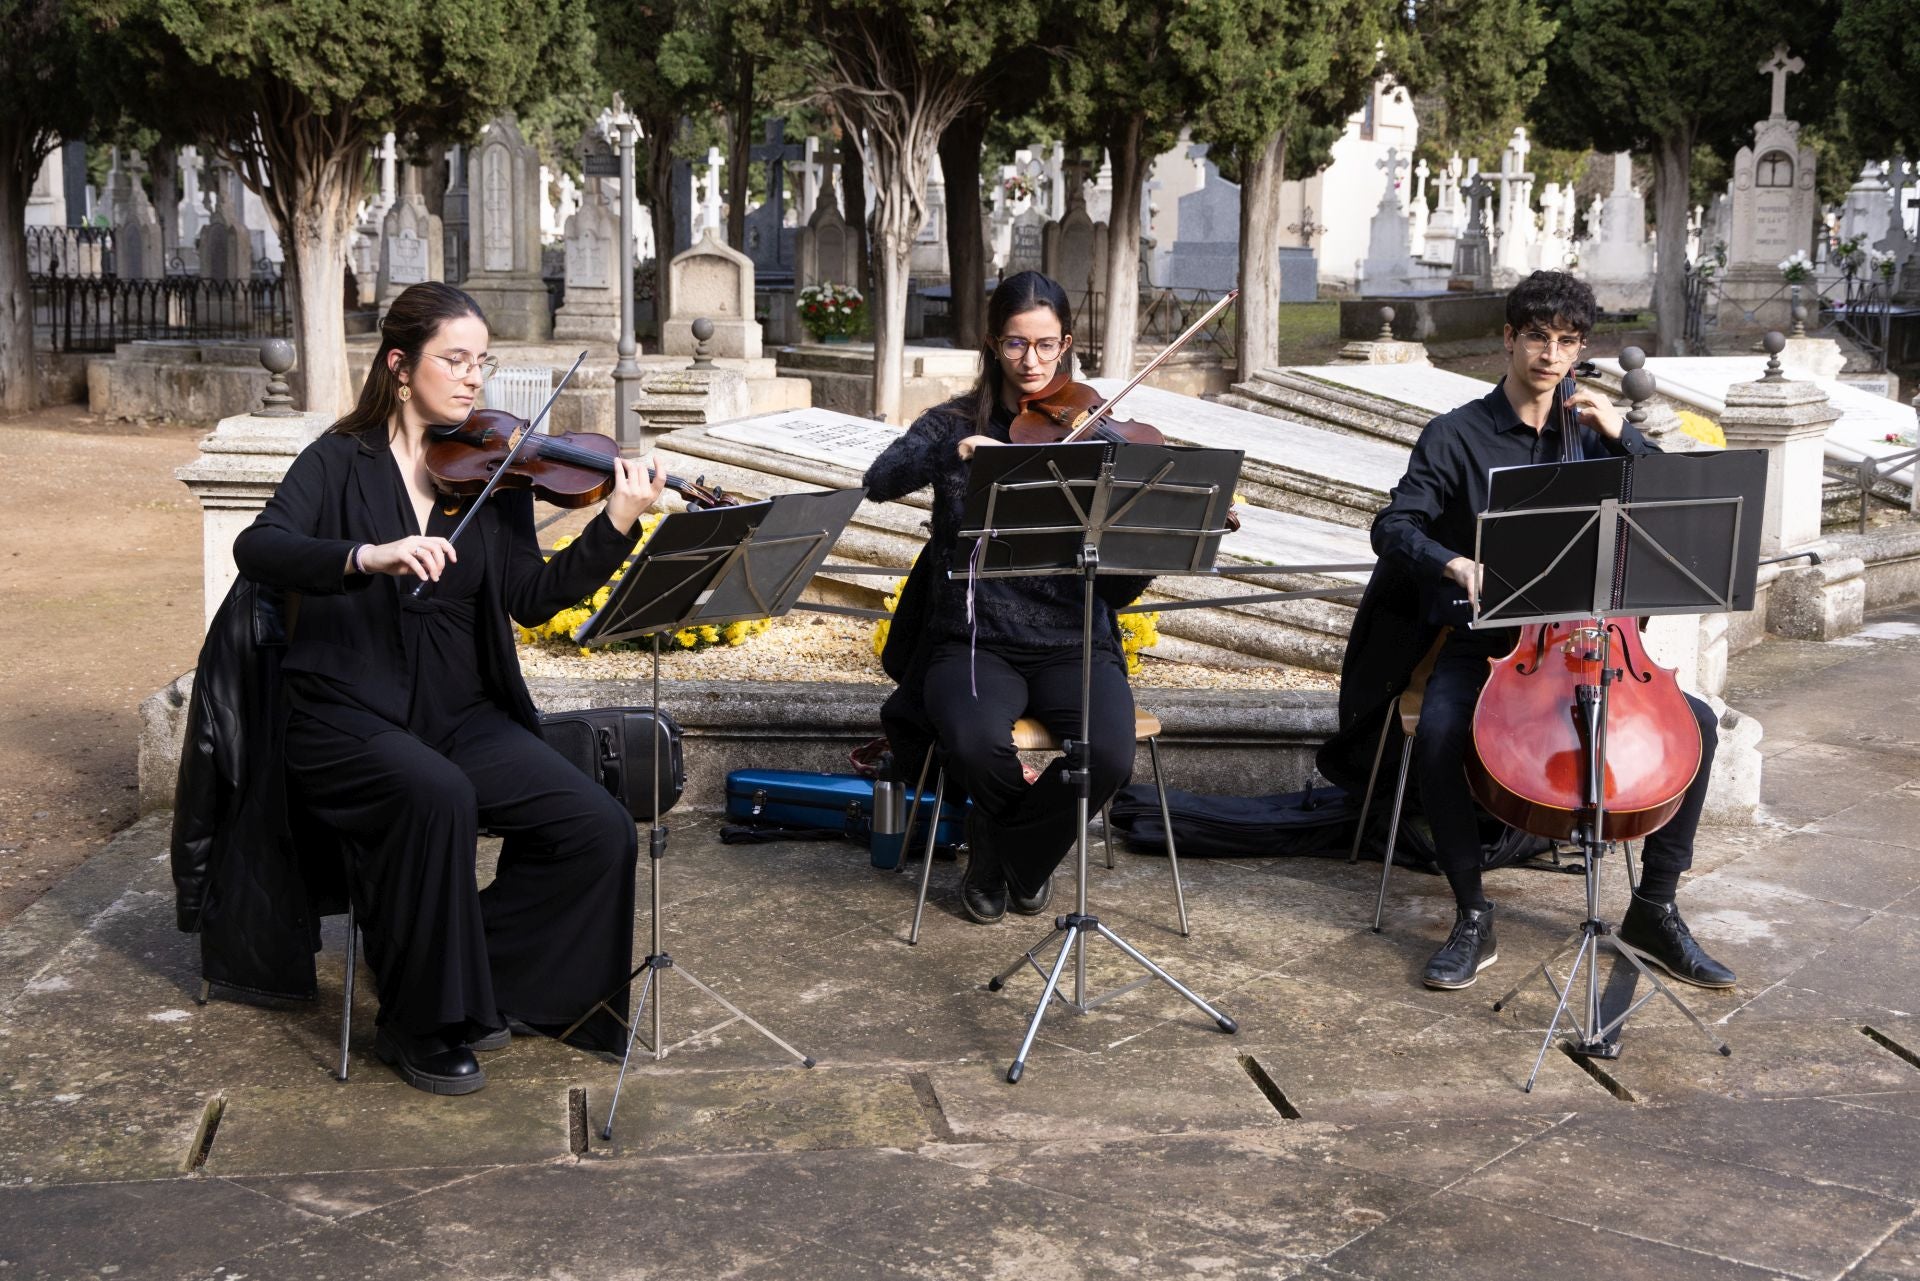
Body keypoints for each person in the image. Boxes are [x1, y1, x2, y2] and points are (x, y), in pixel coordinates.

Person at [231, 281, 668, 1095]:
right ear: (401, 366)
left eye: (483, 362)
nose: (474, 379)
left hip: (459, 713)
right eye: (455, 360)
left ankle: (475, 979)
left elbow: (531, 598)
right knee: (437, 796)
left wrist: (614, 523)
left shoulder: (492, 474)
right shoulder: (339, 460)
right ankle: (421, 1020)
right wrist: (368, 556)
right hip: (343, 714)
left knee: (597, 826)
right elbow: (260, 548)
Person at [1366, 270, 1736, 992]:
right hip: (1492, 643)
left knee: (1697, 727)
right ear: (1509, 338)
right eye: (1537, 336)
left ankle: (1655, 908)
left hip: (1595, 646)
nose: (1551, 354)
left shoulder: (1594, 435)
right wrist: (1453, 561)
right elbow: (1394, 525)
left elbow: (1674, 506)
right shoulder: (1456, 436)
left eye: (1567, 341)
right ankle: (1473, 913)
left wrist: (1620, 433)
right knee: (1441, 730)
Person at [864, 271, 1149, 924]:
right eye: (1017, 345)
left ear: (1067, 343)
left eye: (1047, 346)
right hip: (971, 640)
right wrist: (951, 451)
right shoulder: (954, 422)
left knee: (1109, 754)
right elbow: (878, 480)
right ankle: (1021, 849)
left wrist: (1168, 535)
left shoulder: (1096, 432)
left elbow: (1121, 585)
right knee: (970, 741)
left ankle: (1005, 852)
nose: (1033, 362)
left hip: (1072, 639)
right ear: (993, 344)